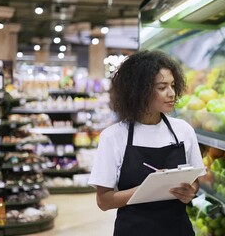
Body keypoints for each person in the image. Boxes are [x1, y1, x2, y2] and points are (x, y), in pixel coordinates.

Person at [88, 50, 205, 236]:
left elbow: (196, 182)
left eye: (173, 85)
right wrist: (149, 189)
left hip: (178, 229)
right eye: (162, 87)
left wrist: (189, 191)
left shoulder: (183, 130)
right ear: (140, 90)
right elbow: (104, 201)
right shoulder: (113, 136)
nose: (171, 93)